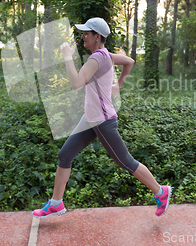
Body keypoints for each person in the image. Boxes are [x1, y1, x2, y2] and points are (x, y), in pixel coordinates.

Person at [32, 17, 172, 219]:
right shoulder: (105, 55)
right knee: (65, 155)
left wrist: (67, 57)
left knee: (126, 162)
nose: (82, 38)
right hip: (91, 118)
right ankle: (56, 204)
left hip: (102, 121)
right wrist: (118, 85)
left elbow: (76, 83)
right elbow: (129, 61)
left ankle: (161, 192)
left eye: (86, 34)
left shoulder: (97, 58)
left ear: (97, 36)